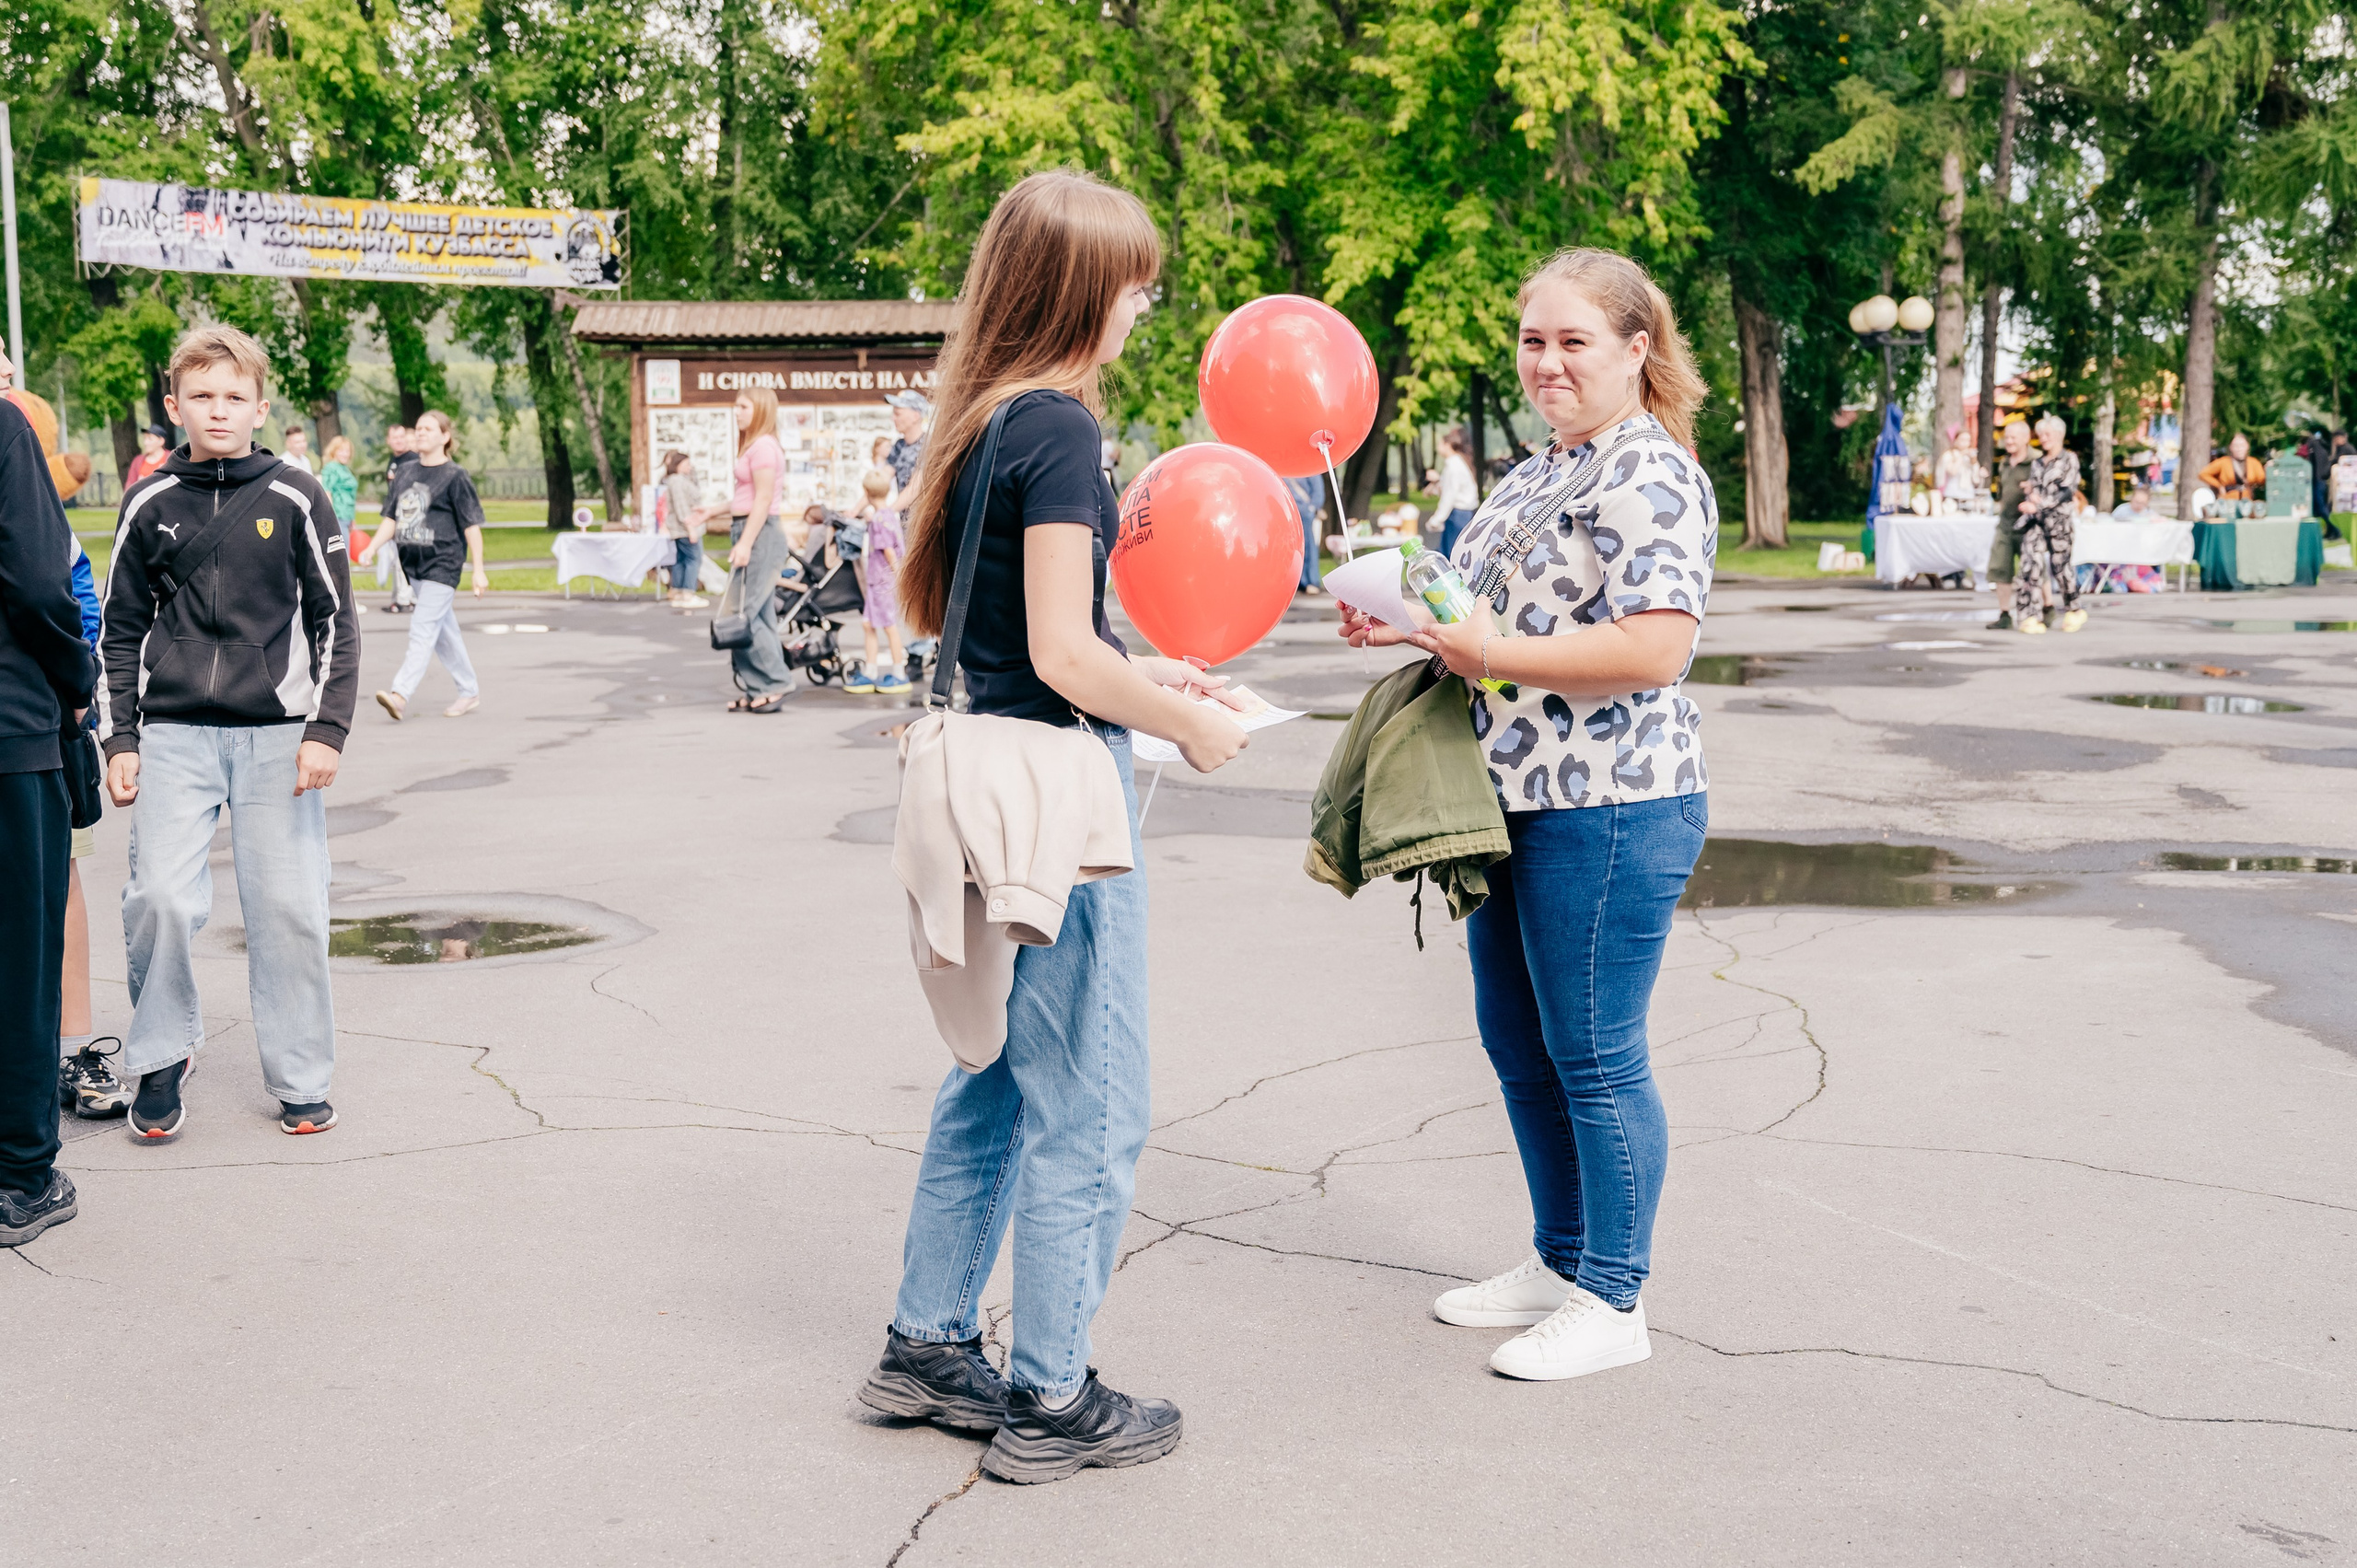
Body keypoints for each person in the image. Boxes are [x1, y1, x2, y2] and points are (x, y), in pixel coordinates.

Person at [857, 169, 1248, 1484]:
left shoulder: (982, 420)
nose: (1146, 300)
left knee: (994, 1077)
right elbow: (1069, 658)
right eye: (1136, 278)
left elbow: (1011, 638)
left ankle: (926, 1338)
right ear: (1086, 287)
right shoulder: (1065, 429)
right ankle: (1052, 1392)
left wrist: (1159, 678)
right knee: (1091, 1097)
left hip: (971, 781)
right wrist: (1186, 723)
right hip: (1048, 804)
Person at [1339, 246, 1715, 1382]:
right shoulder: (1541, 466)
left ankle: (1615, 1294)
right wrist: (1405, 619)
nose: (1545, 362)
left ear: (1636, 349)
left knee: (1593, 1053)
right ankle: (1561, 1257)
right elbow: (1480, 614)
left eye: (1573, 342)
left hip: (1612, 801)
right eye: (1531, 340)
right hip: (1513, 794)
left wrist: (1490, 649)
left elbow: (1658, 644)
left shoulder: (1647, 473)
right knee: (1520, 1044)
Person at [97, 324, 355, 1144]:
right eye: (201, 396)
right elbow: (117, 628)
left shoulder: (297, 495)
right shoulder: (147, 502)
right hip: (173, 731)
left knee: (288, 907)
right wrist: (122, 737)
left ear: (260, 405)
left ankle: (302, 1075)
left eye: (234, 396)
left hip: (279, 735)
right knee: (161, 900)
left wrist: (328, 727)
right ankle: (165, 1053)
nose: (218, 410)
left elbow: (336, 622)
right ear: (174, 405)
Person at [0, 351, 101, 1244]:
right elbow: (40, 581)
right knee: (23, 953)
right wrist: (79, 676)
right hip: (9, 728)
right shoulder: (4, 431)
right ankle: (22, 1171)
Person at [55, 524, 129, 1119]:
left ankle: (72, 1048)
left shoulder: (29, 494)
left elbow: (79, 593)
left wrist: (78, 692)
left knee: (61, 878)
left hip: (39, 722)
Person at [362, 409, 488, 719]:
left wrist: (479, 570)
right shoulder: (405, 472)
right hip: (413, 567)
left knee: (422, 628)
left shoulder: (455, 476)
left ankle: (400, 694)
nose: (420, 433)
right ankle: (469, 691)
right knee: (444, 632)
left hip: (443, 565)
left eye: (428, 429)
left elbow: (471, 526)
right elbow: (391, 518)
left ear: (445, 437)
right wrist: (372, 547)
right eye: (418, 428)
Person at [721, 389, 793, 713]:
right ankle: (757, 687)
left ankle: (775, 683)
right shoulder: (756, 445)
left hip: (760, 533)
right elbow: (746, 499)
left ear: (760, 410)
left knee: (744, 614)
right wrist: (709, 511)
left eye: (743, 406)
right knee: (756, 613)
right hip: (751, 528)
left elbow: (763, 501)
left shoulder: (764, 447)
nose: (736, 411)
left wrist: (746, 542)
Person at [2014, 412, 2085, 633]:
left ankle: (2074, 609)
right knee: (2030, 563)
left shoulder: (2069, 459)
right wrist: (2031, 498)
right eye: (2040, 434)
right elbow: (2035, 488)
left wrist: (2041, 503)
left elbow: (2067, 492)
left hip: (2059, 522)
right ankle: (2028, 616)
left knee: (2061, 567)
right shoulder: (2037, 463)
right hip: (2036, 521)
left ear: (2059, 435)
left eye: (2047, 434)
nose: (2043, 438)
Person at [843, 468, 911, 695]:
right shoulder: (889, 515)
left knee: (889, 626)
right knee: (869, 624)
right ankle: (871, 670)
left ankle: (898, 673)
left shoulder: (879, 521)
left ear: (866, 492)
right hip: (880, 580)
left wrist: (898, 576)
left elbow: (889, 553)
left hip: (882, 580)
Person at [1986, 416, 2035, 628]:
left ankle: (2047, 607)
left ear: (2026, 438)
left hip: (2029, 524)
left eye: (2013, 437)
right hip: (2005, 523)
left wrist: (2033, 489)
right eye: (2007, 437)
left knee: (2034, 569)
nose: (2009, 441)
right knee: (2000, 567)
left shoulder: (2037, 461)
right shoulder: (2005, 463)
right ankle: (2005, 614)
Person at [657, 448, 711, 610]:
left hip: (679, 529)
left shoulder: (676, 480)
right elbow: (682, 507)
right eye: (686, 464)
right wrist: (691, 527)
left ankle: (678, 590)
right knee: (693, 559)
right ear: (678, 465)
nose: (690, 466)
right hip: (685, 528)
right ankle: (688, 592)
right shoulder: (678, 482)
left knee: (680, 560)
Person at [374, 424, 418, 612]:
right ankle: (401, 597)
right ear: (389, 440)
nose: (399, 441)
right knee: (396, 559)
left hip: (408, 516)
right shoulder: (394, 460)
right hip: (395, 515)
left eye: (402, 437)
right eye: (395, 437)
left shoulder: (413, 460)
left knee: (404, 558)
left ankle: (405, 599)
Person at [1434, 425, 1480, 557]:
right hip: (1465, 513)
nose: (1438, 447)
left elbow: (1449, 496)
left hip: (1458, 515)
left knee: (1451, 555)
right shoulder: (1460, 462)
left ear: (1448, 445)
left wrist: (1437, 519)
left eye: (1440, 443)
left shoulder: (1453, 465)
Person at [884, 389, 930, 512]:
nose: (893, 418)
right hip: (904, 525)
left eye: (898, 413)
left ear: (916, 416)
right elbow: (881, 479)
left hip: (925, 526)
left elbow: (915, 487)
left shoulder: (929, 445)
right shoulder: (899, 446)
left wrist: (887, 513)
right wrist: (853, 512)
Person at [2197, 433, 2262, 506]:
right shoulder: (2223, 462)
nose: (2239, 449)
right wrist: (2219, 485)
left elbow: (2263, 479)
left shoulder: (2254, 463)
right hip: (2227, 501)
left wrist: (2269, 468)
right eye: (2236, 446)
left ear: (2247, 446)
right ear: (2230, 447)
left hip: (2247, 502)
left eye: (2242, 445)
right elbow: (2203, 474)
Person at [1285, 474, 1325, 593]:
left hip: (1305, 514)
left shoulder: (1310, 470)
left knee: (1308, 546)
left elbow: (1318, 491)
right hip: (1289, 513)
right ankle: (1297, 581)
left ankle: (1311, 580)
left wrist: (1311, 508)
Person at [319, 435, 359, 530]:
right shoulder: (331, 468)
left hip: (347, 517)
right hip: (337, 516)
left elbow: (350, 496)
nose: (345, 454)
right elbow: (327, 492)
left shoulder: (345, 469)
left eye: (347, 451)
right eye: (341, 450)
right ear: (333, 451)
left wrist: (352, 518)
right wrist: (331, 517)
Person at [125, 423, 171, 488]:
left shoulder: (171, 459)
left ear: (161, 441)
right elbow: (129, 487)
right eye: (145, 438)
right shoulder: (137, 461)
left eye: (150, 439)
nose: (145, 442)